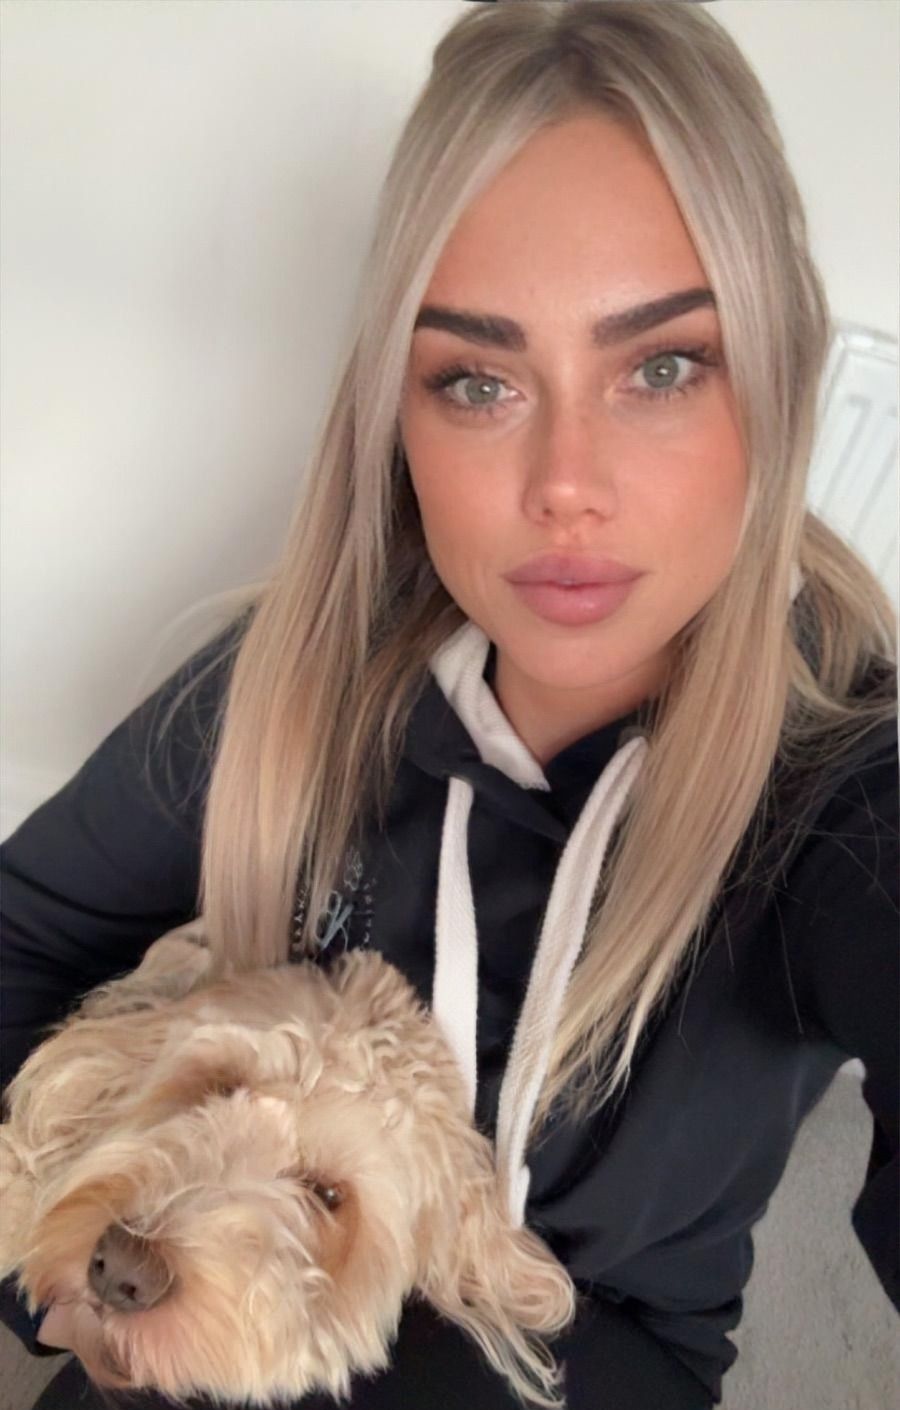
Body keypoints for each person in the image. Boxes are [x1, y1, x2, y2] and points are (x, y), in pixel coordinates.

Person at [1, 2, 897, 1408]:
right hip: (206, 1337)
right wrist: (49, 1267)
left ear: (779, 376)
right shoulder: (303, 678)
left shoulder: (849, 784)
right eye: (478, 380)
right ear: (397, 413)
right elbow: (23, 928)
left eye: (663, 366)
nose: (566, 484)